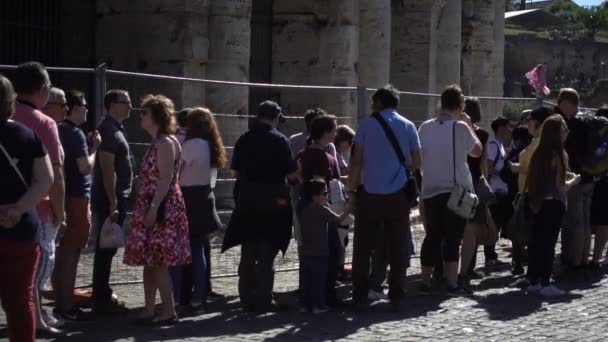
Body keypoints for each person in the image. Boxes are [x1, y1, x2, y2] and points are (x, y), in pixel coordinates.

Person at [348, 84, 421, 310]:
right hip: (397, 196)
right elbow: (416, 162)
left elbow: (357, 161)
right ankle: (397, 294)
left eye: (373, 101)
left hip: (369, 195)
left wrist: (352, 190)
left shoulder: (366, 126)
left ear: (379, 102)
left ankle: (360, 294)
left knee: (363, 248)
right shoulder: (408, 126)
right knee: (398, 246)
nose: (371, 105)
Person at [224, 100, 298, 313]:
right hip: (273, 201)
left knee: (248, 249)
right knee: (267, 251)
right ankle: (264, 299)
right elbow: (292, 174)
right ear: (275, 117)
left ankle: (246, 298)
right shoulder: (280, 140)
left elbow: (234, 172)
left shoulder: (244, 138)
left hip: (247, 199)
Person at [123, 95, 191, 325]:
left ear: (156, 116)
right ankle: (149, 308)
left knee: (159, 261)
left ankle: (169, 310)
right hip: (154, 204)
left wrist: (153, 209)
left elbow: (165, 179)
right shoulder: (160, 142)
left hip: (161, 206)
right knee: (149, 260)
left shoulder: (164, 143)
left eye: (145, 112)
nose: (140, 115)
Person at [12, 61, 65, 335]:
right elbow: (53, 176)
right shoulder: (44, 123)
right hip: (36, 212)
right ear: (43, 89)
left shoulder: (9, 120)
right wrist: (61, 211)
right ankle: (38, 323)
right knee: (34, 274)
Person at [0, 75, 54, 342]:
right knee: (20, 301)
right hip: (22, 228)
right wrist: (17, 209)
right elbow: (45, 179)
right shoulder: (26, 134)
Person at [417, 85, 482, 295]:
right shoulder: (461, 127)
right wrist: (469, 125)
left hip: (430, 189)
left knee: (432, 236)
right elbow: (476, 151)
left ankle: (426, 282)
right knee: (453, 238)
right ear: (460, 105)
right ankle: (452, 283)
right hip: (456, 191)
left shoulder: (425, 127)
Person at [170, 107, 226, 312]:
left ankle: (176, 296)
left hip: (186, 196)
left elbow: (176, 170)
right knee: (198, 247)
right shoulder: (208, 144)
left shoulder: (191, 144)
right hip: (202, 195)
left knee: (180, 249)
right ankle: (199, 296)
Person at [53, 91, 100, 321]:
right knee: (71, 254)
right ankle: (67, 305)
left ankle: (61, 302)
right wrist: (95, 149)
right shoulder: (75, 133)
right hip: (77, 197)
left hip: (63, 196)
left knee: (62, 253)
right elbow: (84, 167)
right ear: (72, 108)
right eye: (83, 105)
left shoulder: (58, 130)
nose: (87, 110)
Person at [525, 114, 581, 297]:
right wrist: (575, 181)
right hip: (554, 203)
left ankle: (533, 280)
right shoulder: (559, 154)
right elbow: (561, 186)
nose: (567, 131)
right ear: (557, 133)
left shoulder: (539, 152)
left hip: (538, 202)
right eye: (564, 128)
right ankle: (545, 282)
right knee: (549, 244)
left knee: (537, 242)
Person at [91, 89, 133, 314]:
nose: (130, 106)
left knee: (109, 248)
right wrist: (113, 201)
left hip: (117, 197)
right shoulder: (107, 129)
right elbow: (107, 168)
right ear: (111, 104)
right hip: (110, 199)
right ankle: (101, 297)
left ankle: (102, 292)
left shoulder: (117, 128)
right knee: (105, 247)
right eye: (125, 102)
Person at [296, 114, 342, 306]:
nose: (335, 133)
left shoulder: (301, 155)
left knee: (306, 254)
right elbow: (334, 183)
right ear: (326, 132)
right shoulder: (327, 158)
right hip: (323, 210)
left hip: (304, 209)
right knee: (330, 253)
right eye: (333, 129)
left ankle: (307, 296)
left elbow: (295, 179)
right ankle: (325, 296)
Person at [511, 107, 553, 276]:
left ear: (537, 123)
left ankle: (531, 272)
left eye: (529, 120)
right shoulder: (536, 140)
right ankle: (525, 267)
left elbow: (536, 168)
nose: (526, 124)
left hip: (531, 193)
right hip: (526, 191)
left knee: (525, 232)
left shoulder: (540, 142)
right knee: (524, 231)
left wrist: (516, 168)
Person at [298, 178, 350, 314]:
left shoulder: (305, 210)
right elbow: (339, 219)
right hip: (320, 252)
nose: (327, 195)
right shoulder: (322, 210)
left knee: (307, 281)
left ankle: (305, 305)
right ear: (315, 196)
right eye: (325, 193)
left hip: (306, 252)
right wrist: (350, 208)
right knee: (319, 281)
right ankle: (318, 305)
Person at [557, 88, 595, 271]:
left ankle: (574, 260)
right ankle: (584, 258)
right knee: (585, 221)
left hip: (576, 177)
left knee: (575, 221)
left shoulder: (573, 124)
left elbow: (571, 151)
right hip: (590, 176)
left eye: (560, 102)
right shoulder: (588, 120)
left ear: (567, 102)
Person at [460, 98, 491, 283]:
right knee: (472, 230)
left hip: (458, 182)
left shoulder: (455, 132)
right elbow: (483, 165)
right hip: (475, 183)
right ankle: (468, 268)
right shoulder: (484, 135)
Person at [485, 116, 514, 267]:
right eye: (508, 127)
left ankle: (492, 255)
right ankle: (490, 256)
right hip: (496, 192)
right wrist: (503, 173)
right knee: (494, 225)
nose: (510, 130)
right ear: (501, 128)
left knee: (499, 224)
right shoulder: (493, 145)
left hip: (502, 192)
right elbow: (488, 167)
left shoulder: (500, 146)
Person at [590, 106, 608, 269]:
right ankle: (598, 257)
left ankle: (595, 258)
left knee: (600, 223)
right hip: (602, 182)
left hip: (597, 181)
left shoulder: (594, 136)